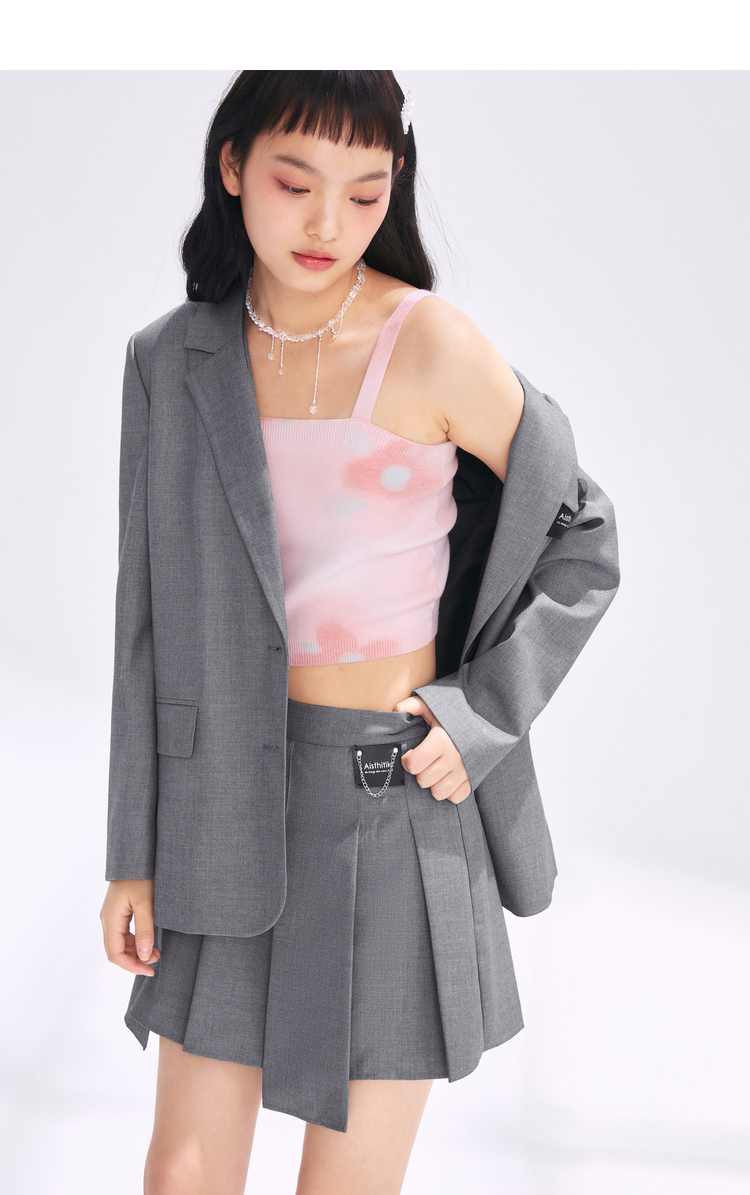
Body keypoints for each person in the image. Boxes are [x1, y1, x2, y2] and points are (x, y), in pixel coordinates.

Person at [99, 70, 620, 1195]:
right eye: (295, 183)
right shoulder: (168, 361)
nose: (328, 223)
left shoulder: (431, 344)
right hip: (220, 811)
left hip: (397, 804)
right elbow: (142, 626)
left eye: (366, 193)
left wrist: (479, 715)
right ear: (232, 166)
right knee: (182, 1172)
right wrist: (130, 856)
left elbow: (583, 533)